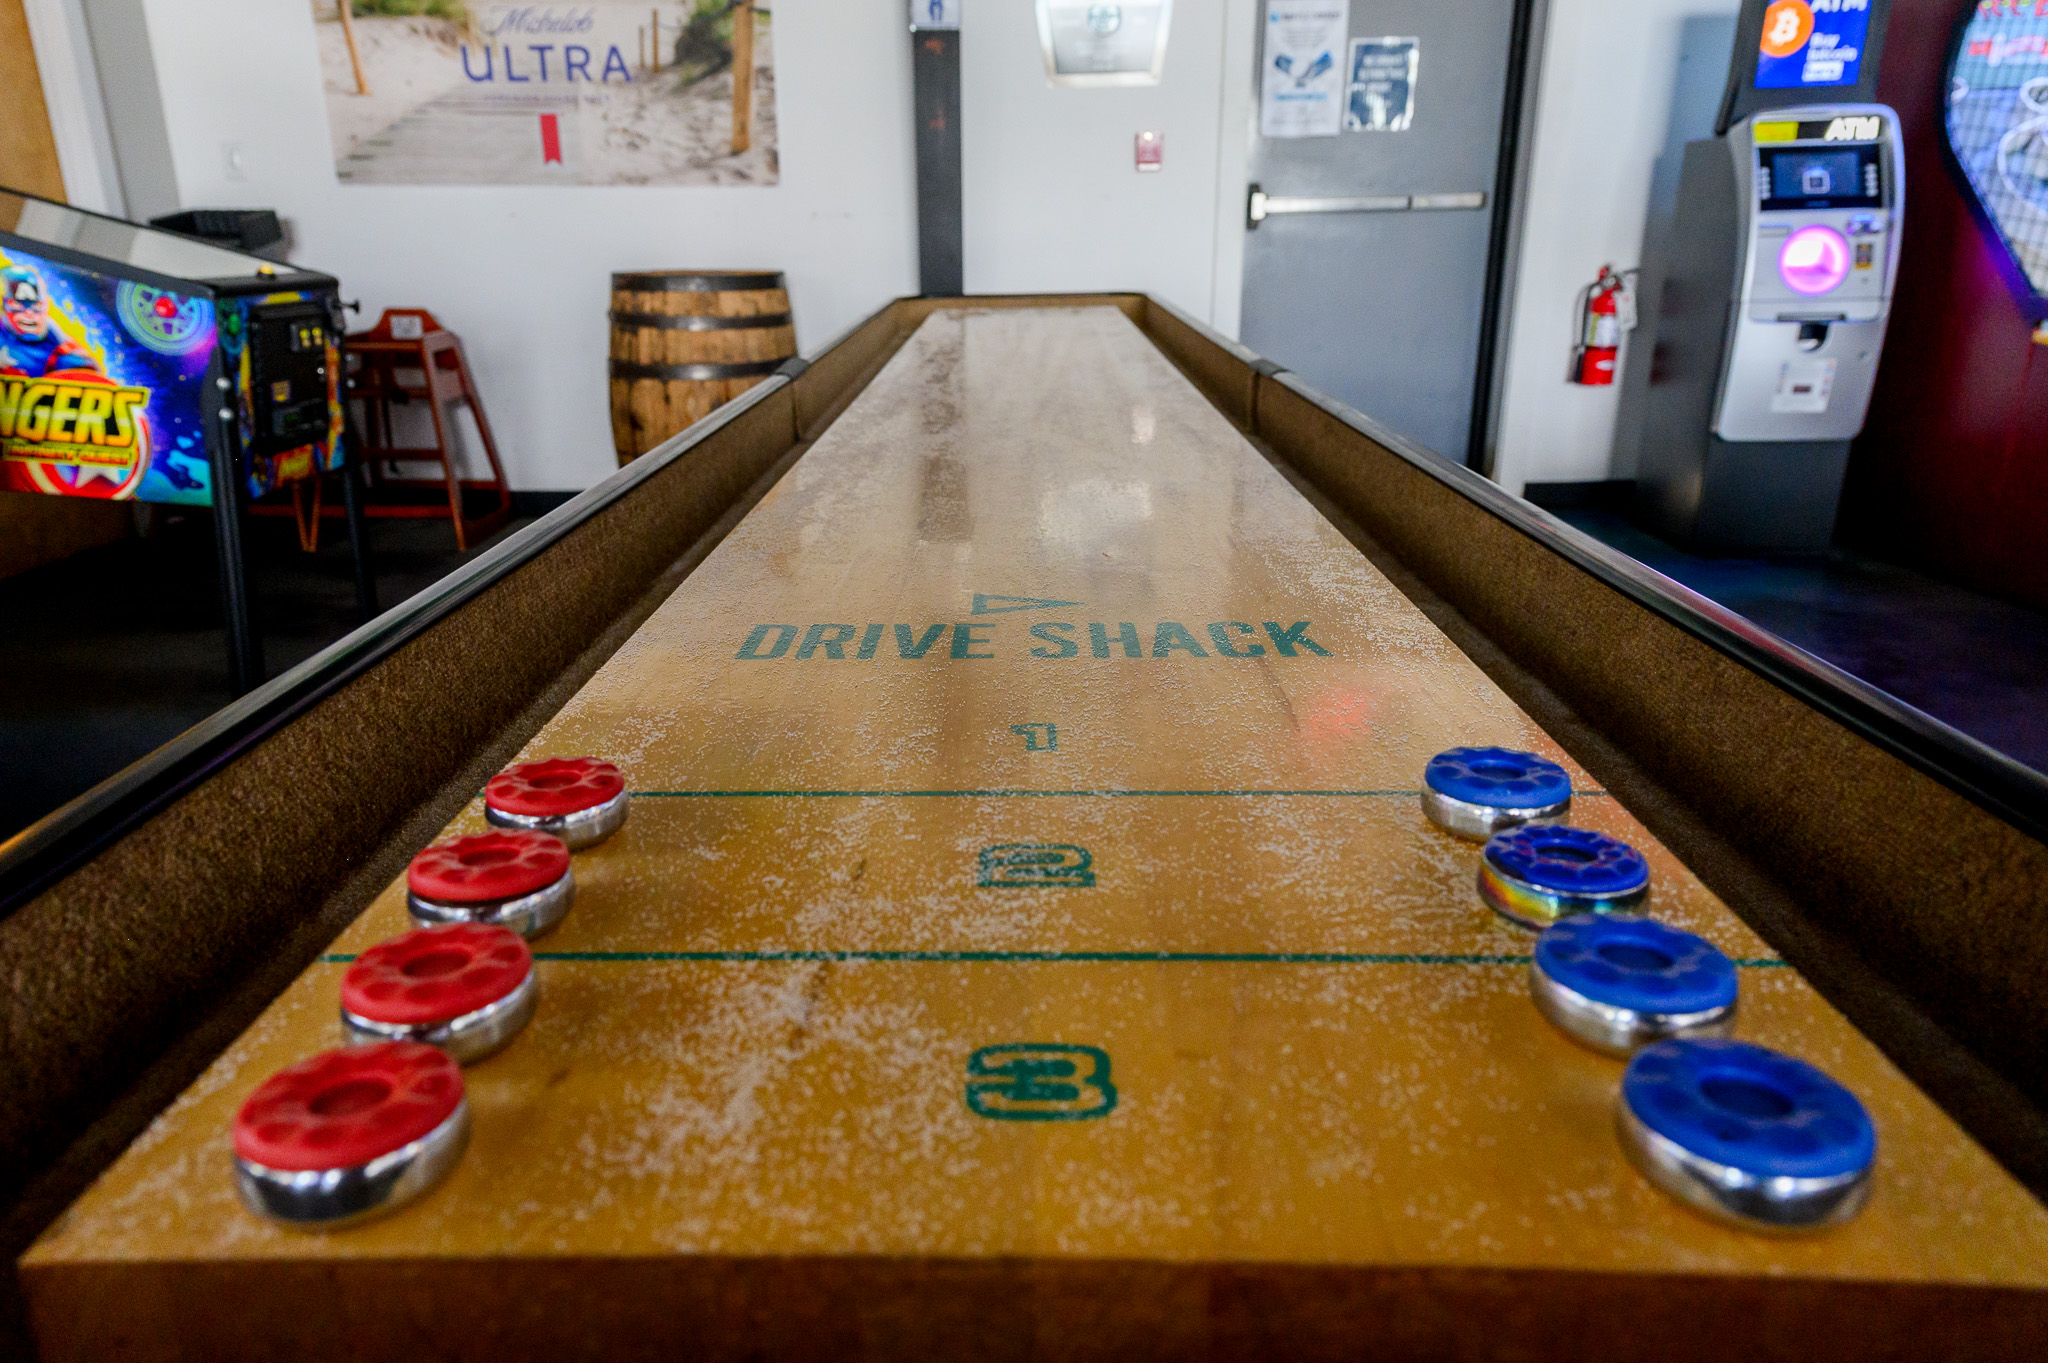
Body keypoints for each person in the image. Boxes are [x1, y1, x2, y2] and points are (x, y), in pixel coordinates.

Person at [0, 264, 101, 378]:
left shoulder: (56, 337)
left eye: (36, 306)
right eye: (17, 305)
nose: (29, 313)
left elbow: (91, 373)